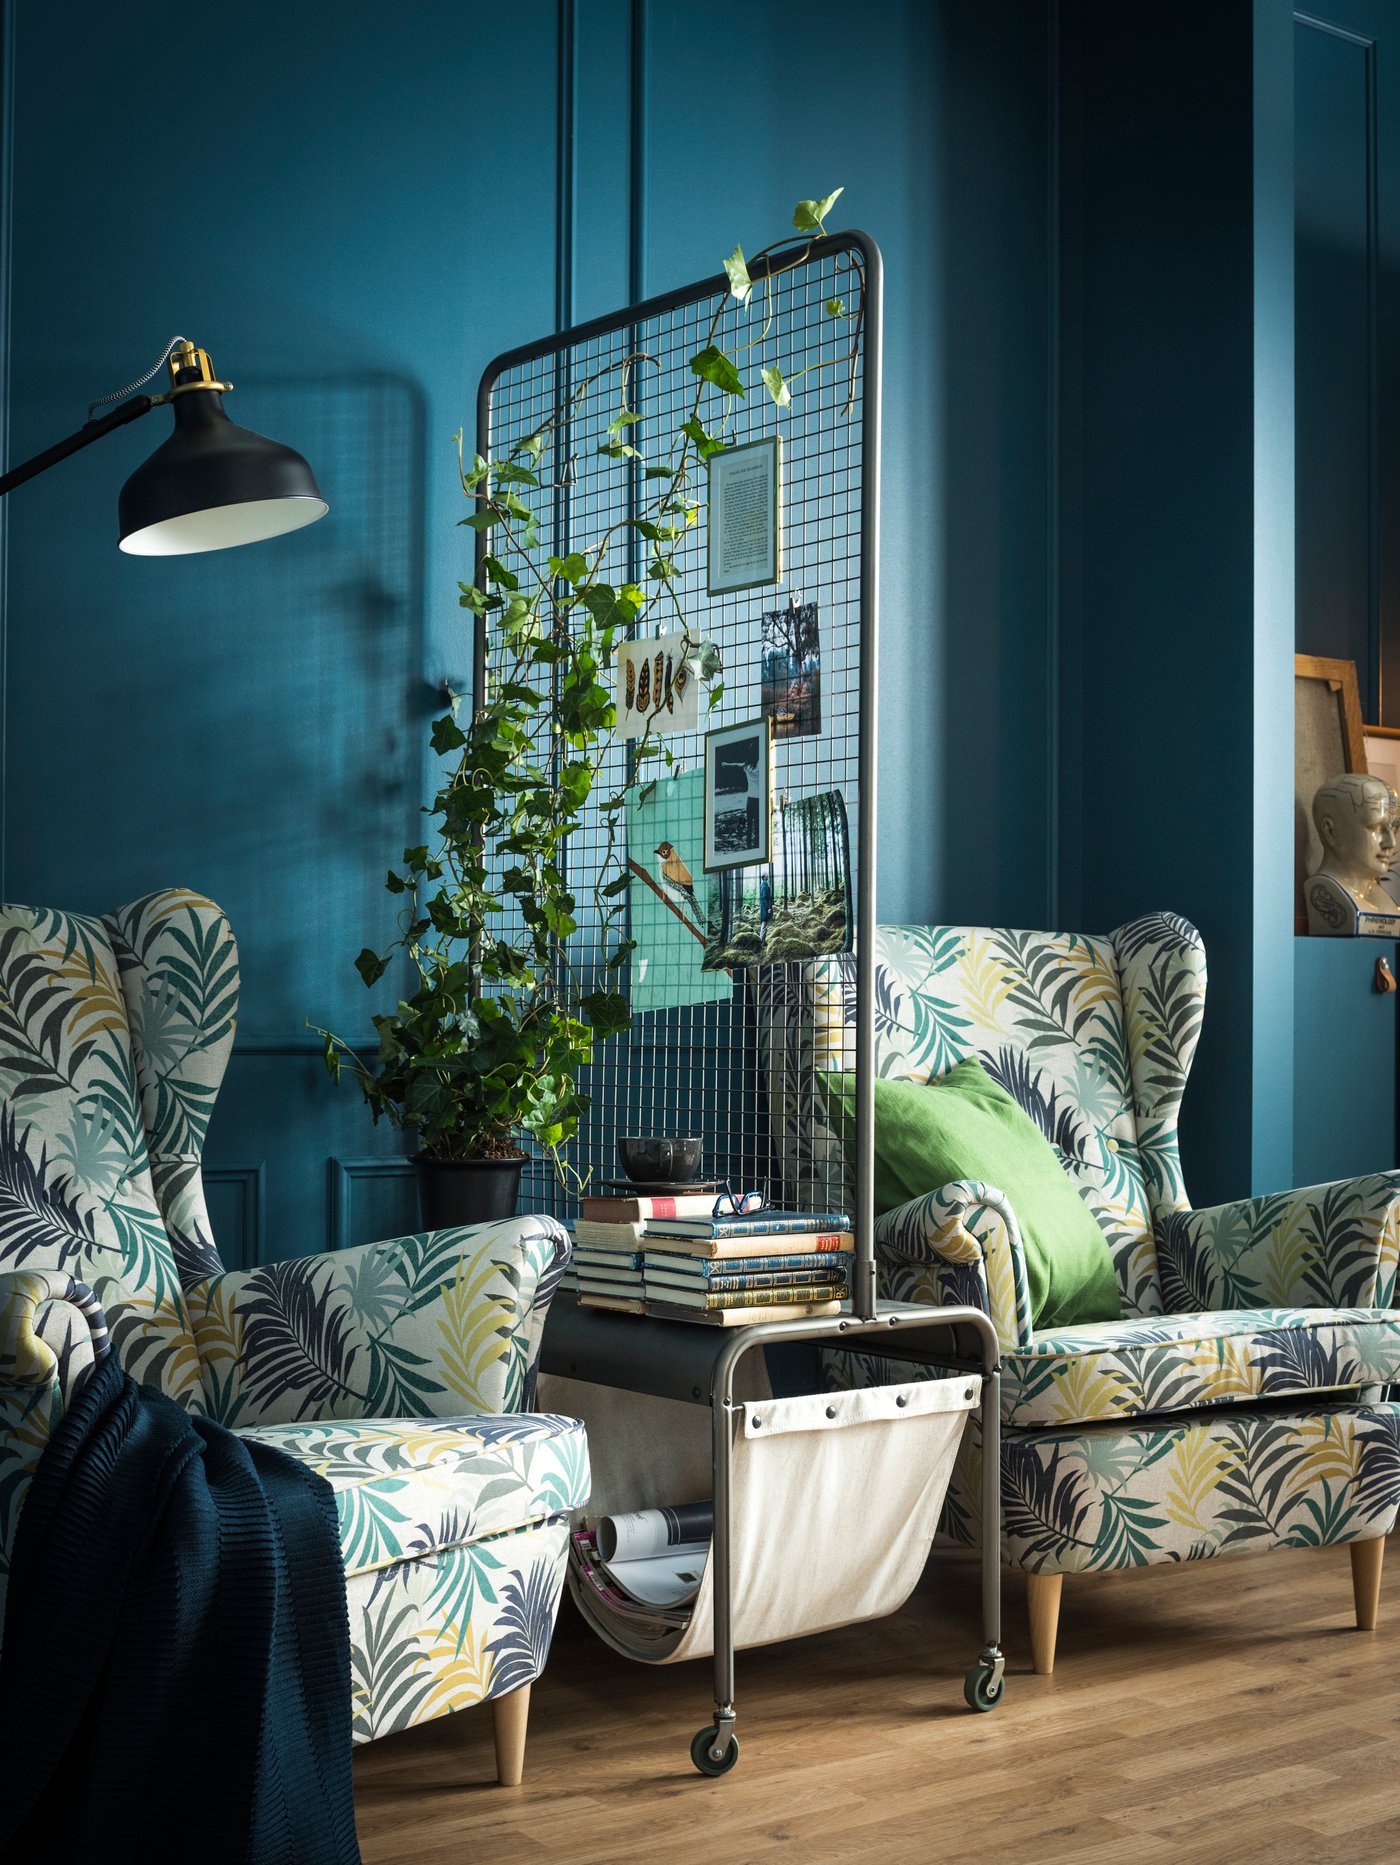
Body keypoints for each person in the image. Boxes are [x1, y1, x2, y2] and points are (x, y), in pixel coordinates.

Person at [1306, 771, 1400, 936]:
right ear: (1331, 831)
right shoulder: (1325, 892)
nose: (1391, 843)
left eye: (1394, 828)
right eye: (1376, 827)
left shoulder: (1384, 902)